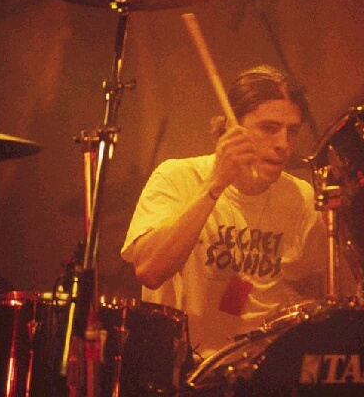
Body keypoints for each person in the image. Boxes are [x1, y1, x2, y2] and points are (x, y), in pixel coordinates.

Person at [121, 65, 350, 362]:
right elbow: (149, 271)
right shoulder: (176, 178)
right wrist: (215, 185)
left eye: (292, 131)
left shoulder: (301, 197)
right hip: (187, 366)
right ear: (231, 128)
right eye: (269, 128)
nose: (283, 144)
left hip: (263, 366)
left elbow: (322, 291)